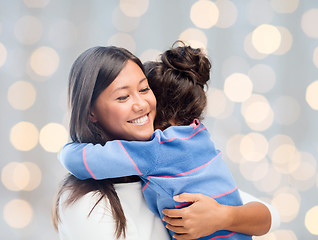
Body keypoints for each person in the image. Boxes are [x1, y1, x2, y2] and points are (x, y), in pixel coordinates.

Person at [52, 45, 278, 240]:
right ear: (91, 112)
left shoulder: (159, 157)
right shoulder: (88, 201)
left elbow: (270, 215)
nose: (140, 104)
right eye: (123, 96)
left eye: (144, 89)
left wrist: (222, 216)